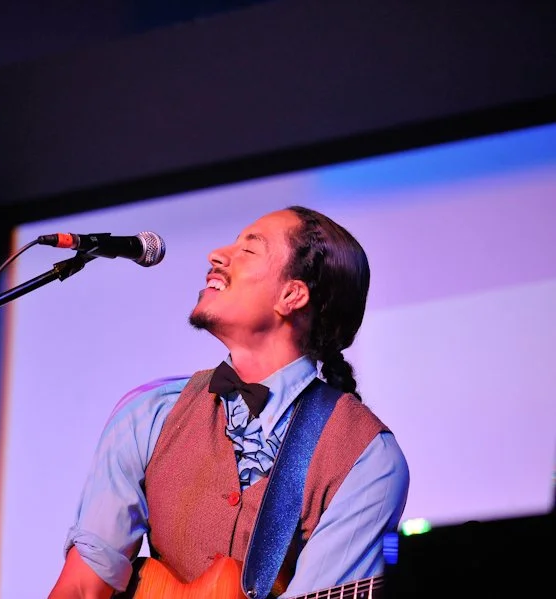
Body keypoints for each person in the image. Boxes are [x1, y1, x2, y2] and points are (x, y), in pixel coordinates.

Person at [48, 206, 410, 599]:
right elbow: (81, 587)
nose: (217, 255)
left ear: (292, 295)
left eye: (248, 250)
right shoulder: (149, 414)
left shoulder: (366, 456)